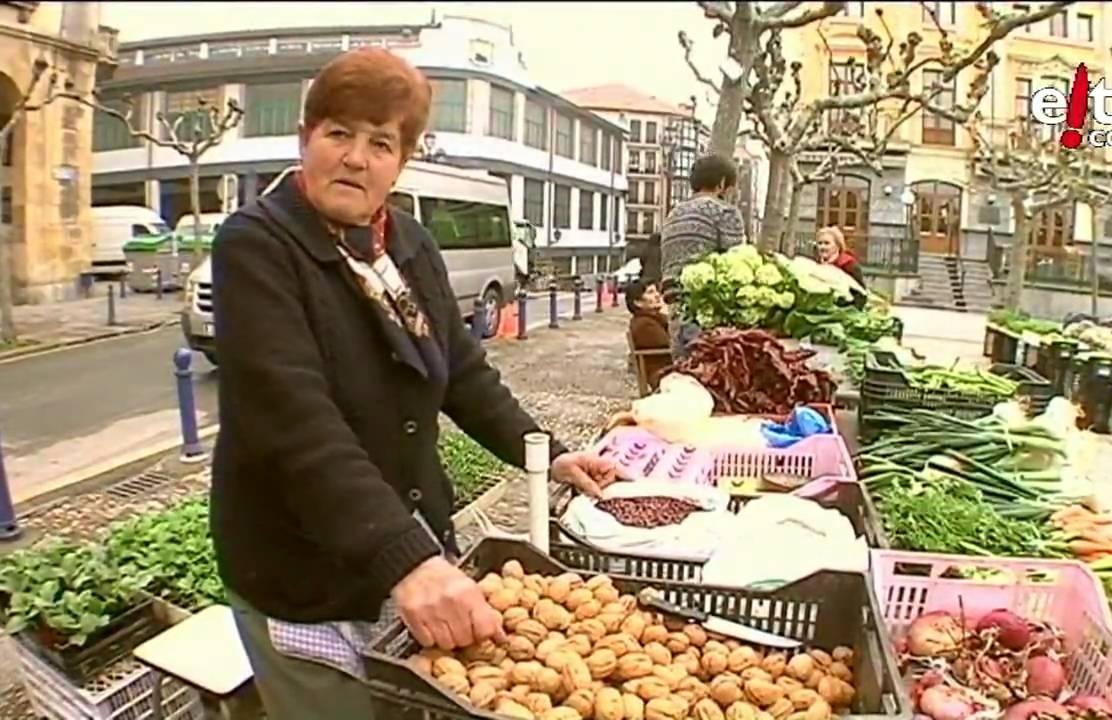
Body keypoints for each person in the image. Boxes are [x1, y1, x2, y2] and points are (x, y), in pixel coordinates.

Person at [209, 48, 617, 719]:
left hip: (403, 552)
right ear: (305, 138)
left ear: (401, 161)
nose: (356, 158)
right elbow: (294, 421)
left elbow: (461, 371)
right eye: (338, 133)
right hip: (303, 571)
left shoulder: (406, 244)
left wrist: (545, 450)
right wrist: (407, 560)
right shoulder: (257, 246)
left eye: (381, 143)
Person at [659, 154, 746, 358]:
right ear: (722, 183)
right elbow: (737, 262)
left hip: (675, 310)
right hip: (710, 313)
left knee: (686, 370)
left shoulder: (674, 213)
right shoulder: (725, 212)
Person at [624, 281, 673, 391]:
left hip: (669, 371)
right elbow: (670, 344)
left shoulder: (654, 319)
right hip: (664, 374)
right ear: (638, 302)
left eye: (657, 291)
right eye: (650, 292)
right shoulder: (644, 324)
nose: (657, 295)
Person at [814, 226, 867, 308]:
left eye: (827, 243)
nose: (822, 247)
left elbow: (860, 293)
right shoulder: (816, 265)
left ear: (837, 246)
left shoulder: (849, 265)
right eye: (820, 243)